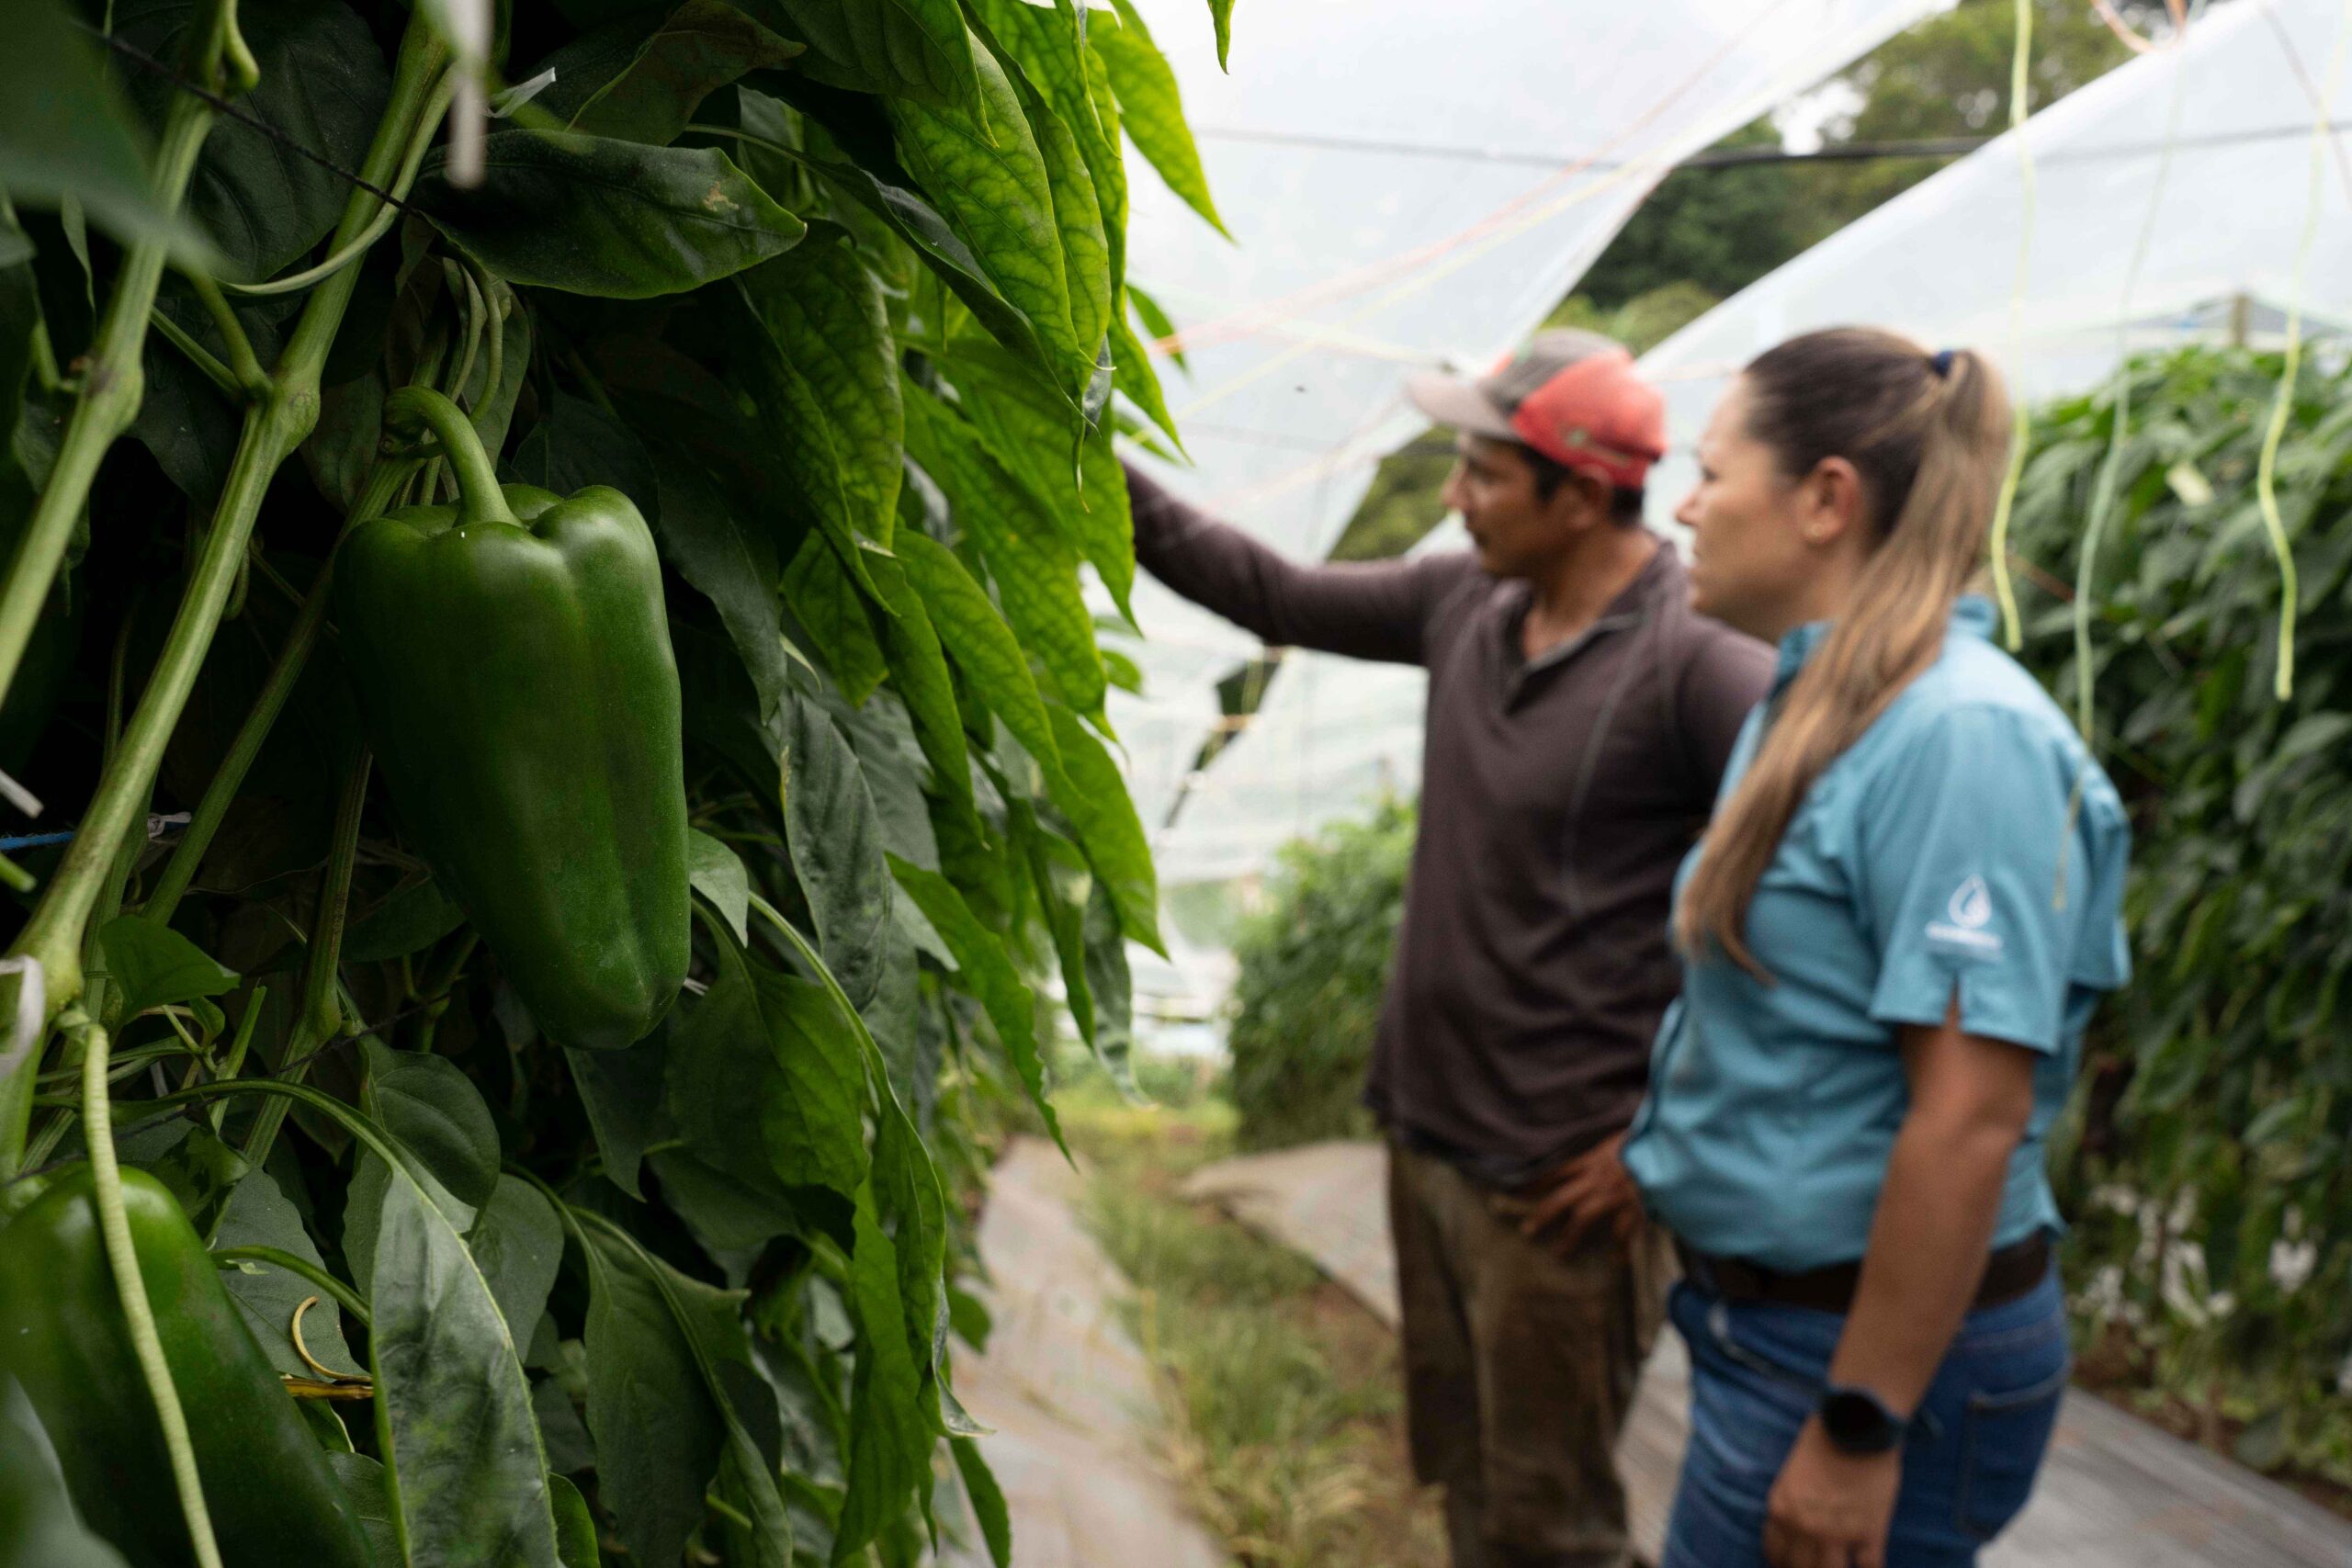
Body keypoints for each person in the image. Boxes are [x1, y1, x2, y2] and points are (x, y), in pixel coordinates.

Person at [1124, 330, 1775, 1568]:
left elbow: (1804, 905)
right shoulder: (1465, 603)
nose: (1453, 498)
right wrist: (1082, 446)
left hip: (1562, 1190)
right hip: (1429, 1136)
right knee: (1471, 1481)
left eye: (1481, 473)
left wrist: (1667, 1136)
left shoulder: (1698, 662)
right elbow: (1270, 591)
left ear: (1580, 496)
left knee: (1553, 1521)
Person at [1617, 328, 2133, 1568]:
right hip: (1775, 1330)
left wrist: (1859, 1424)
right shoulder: (1814, 705)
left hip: (1863, 1362)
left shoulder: (1961, 740)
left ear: (1826, 500)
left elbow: (1968, 1115)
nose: (1683, 508)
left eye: (1711, 472)